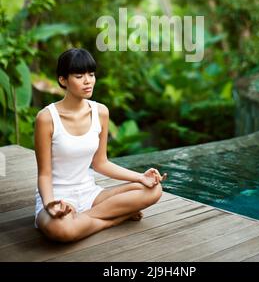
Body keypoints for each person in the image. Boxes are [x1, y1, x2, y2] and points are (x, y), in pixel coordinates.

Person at [34, 48, 166, 243]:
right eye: (79, 76)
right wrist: (49, 203)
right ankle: (112, 220)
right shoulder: (46, 118)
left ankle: (83, 221)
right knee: (61, 230)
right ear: (63, 80)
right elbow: (44, 174)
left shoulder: (100, 112)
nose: (88, 81)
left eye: (92, 74)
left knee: (154, 190)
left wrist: (141, 177)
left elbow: (101, 163)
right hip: (58, 197)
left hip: (91, 194)